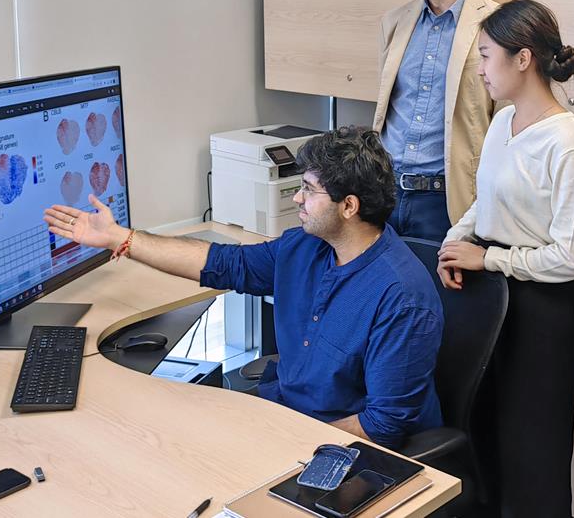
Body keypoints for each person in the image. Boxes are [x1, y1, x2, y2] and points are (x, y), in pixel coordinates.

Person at [44, 127, 444, 449]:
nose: (298, 198)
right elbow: (223, 264)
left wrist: (286, 443)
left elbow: (383, 426)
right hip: (286, 417)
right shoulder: (307, 246)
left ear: (349, 207)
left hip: (343, 446)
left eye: (308, 188)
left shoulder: (400, 298)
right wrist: (119, 238)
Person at [437, 0, 574, 516]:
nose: (481, 69)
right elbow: (485, 201)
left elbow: (570, 258)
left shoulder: (566, 143)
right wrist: (453, 242)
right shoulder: (503, 119)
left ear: (523, 58)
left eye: (486, 56)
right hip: (492, 300)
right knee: (483, 434)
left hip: (542, 311)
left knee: (534, 451)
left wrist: (488, 260)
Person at [374, 0, 499, 242]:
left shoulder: (497, 24)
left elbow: (506, 126)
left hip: (447, 200)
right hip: (384, 193)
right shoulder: (394, 22)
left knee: (439, 293)